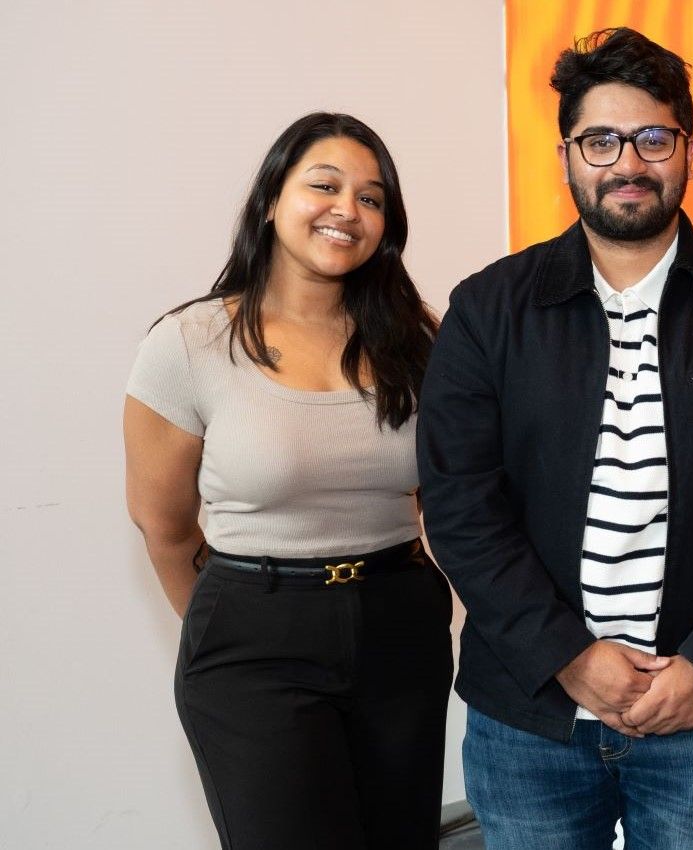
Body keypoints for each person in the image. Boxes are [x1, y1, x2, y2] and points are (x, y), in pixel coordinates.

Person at [417, 27, 693, 850]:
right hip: (529, 719)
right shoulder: (488, 310)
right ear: (566, 154)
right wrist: (568, 654)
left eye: (654, 138)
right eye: (600, 140)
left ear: (688, 150)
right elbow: (460, 504)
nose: (628, 163)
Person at [124, 113, 452, 849]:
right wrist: (239, 623)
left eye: (372, 198)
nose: (348, 210)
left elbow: (449, 495)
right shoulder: (190, 342)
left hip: (401, 624)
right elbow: (164, 525)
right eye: (325, 185)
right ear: (272, 199)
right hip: (254, 636)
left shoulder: (417, 339)